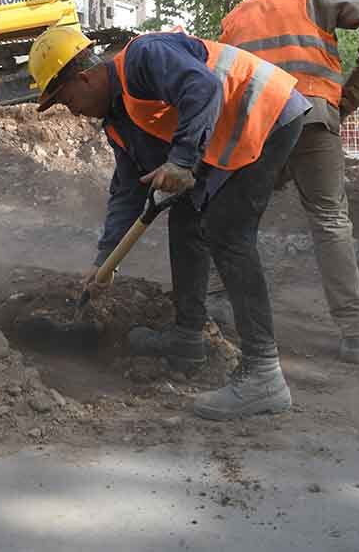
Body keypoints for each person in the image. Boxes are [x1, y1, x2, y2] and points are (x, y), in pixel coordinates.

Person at [28, 26, 310, 419]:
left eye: (64, 98)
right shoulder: (117, 122)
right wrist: (105, 260)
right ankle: (187, 340)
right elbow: (127, 191)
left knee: (227, 232)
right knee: (186, 221)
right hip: (232, 131)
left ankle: (264, 376)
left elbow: (204, 88)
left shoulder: (144, 57)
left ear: (85, 77)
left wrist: (181, 160)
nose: (69, 109)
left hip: (265, 111)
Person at [217, 0, 359, 364]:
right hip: (312, 115)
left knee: (231, 220)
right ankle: (356, 336)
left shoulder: (234, 18)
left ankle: (217, 306)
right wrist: (354, 91)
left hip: (257, 127)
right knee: (329, 220)